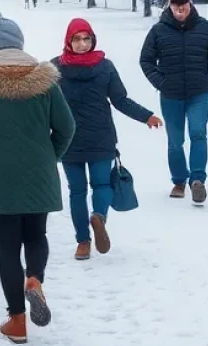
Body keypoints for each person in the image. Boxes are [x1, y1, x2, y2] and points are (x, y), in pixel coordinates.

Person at [0, 11, 75, 346]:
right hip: (40, 172)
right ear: (21, 43)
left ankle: (17, 321)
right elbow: (67, 127)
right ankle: (34, 279)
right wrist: (52, 155)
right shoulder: (45, 81)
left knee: (7, 245)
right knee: (36, 234)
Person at [53, 18, 162, 261]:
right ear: (69, 41)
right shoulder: (99, 66)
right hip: (86, 138)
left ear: (92, 40)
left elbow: (120, 100)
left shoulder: (58, 68)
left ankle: (83, 241)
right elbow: (120, 100)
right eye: (77, 39)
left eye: (86, 38)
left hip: (77, 138)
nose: (82, 44)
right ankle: (99, 217)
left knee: (77, 192)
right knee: (99, 186)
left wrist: (146, 116)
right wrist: (146, 116)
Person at [139, 0, 208, 205]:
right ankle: (179, 181)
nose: (180, 12)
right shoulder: (158, 31)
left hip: (199, 93)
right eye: (176, 8)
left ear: (190, 4)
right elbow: (146, 60)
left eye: (184, 7)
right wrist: (160, 82)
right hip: (171, 94)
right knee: (175, 141)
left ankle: (197, 180)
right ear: (169, 6)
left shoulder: (205, 28)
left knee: (198, 133)